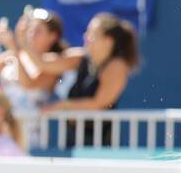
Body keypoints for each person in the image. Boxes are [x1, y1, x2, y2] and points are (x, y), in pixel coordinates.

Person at [41, 13, 141, 147]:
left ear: (108, 41)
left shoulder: (117, 66)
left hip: (98, 145)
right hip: (72, 139)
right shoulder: (82, 58)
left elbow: (98, 104)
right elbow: (43, 63)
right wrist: (20, 43)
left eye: (92, 33)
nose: (86, 37)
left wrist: (62, 106)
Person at [0, 7, 69, 120]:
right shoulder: (14, 54)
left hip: (33, 131)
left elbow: (28, 84)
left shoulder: (54, 62)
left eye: (37, 31)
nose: (31, 34)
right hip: (5, 126)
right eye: (30, 30)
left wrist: (14, 48)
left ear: (53, 36)